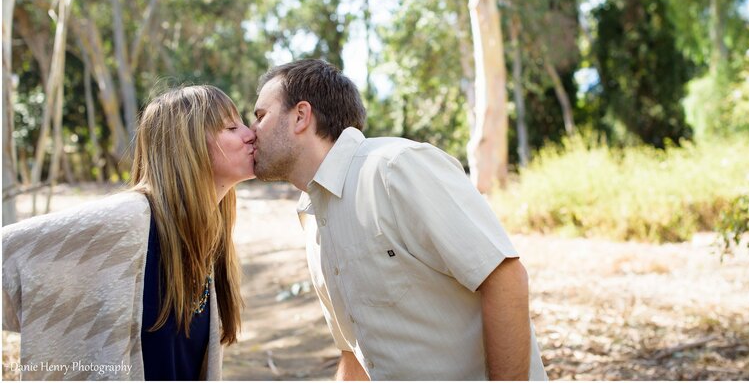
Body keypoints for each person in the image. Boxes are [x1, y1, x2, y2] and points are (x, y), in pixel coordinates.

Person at [250, 59, 548, 381]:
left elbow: (504, 277)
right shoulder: (311, 215)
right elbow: (354, 350)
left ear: (300, 116)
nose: (251, 132)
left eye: (260, 116)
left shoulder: (396, 168)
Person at [2, 85, 255, 380]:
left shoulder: (208, 230)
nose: (249, 133)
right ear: (188, 144)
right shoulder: (127, 219)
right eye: (231, 127)